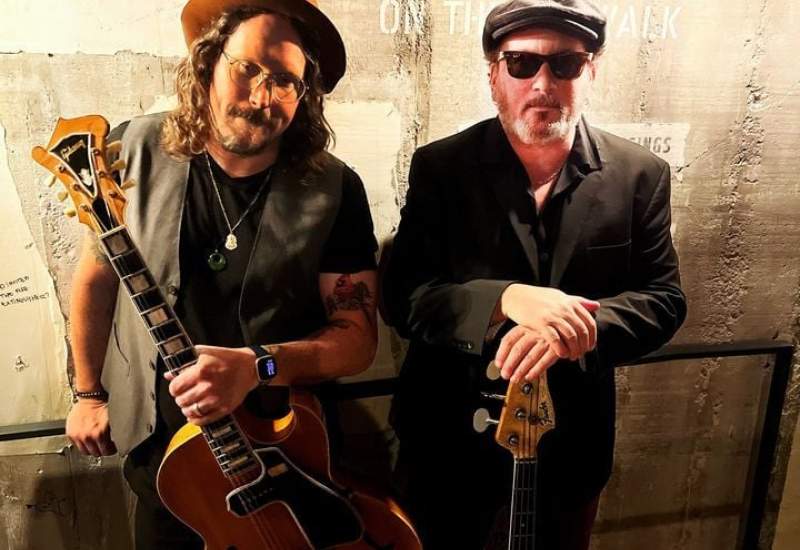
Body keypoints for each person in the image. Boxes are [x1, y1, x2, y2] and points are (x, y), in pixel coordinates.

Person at [64, 1, 378, 548]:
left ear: (304, 94)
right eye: (247, 69)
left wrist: (257, 366)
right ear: (208, 63)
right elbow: (97, 278)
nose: (261, 97)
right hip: (161, 457)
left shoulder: (334, 188)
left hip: (284, 458)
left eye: (285, 81)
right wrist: (88, 393)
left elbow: (357, 340)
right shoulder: (131, 150)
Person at [382, 1, 687, 548]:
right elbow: (403, 295)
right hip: (447, 444)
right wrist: (506, 299)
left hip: (570, 448)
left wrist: (576, 327)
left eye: (565, 64)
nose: (543, 83)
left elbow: (663, 299)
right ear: (494, 76)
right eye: (521, 63)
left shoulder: (641, 174)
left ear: (590, 72)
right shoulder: (441, 167)